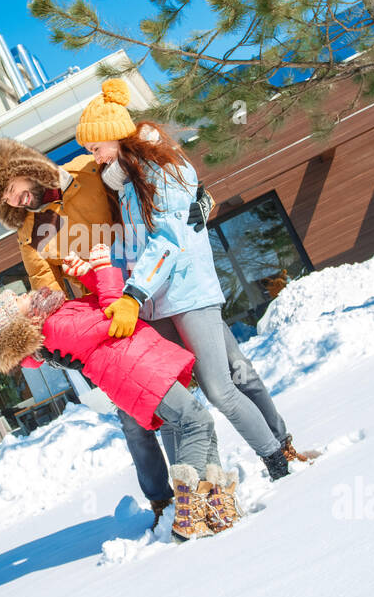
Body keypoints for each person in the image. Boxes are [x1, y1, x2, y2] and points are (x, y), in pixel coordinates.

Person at [75, 78, 318, 481]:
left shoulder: (159, 169)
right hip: (159, 302)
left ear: (115, 137)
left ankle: (278, 460)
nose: (94, 157)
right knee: (175, 397)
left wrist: (134, 295)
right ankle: (202, 480)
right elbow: (138, 247)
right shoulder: (128, 185)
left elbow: (168, 240)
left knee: (222, 387)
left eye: (95, 147)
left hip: (187, 294)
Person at [0, 136, 202, 526]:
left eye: (10, 190)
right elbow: (47, 289)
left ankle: (261, 457)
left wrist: (195, 197)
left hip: (155, 282)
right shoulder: (32, 232)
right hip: (108, 313)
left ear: (24, 168)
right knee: (135, 416)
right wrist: (47, 337)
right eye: (3, 201)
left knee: (203, 380)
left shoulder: (87, 172)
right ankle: (166, 501)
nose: (12, 201)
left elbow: (145, 178)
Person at [0, 244, 242, 541]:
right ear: (22, 321)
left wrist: (87, 275)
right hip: (137, 372)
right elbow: (113, 318)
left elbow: (98, 306)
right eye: (19, 300)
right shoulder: (55, 326)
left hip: (141, 366)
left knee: (199, 424)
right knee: (197, 422)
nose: (26, 293)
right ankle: (189, 510)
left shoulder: (56, 317)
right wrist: (104, 269)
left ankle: (216, 503)